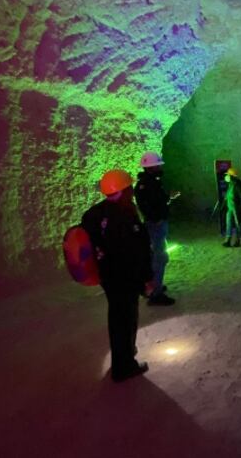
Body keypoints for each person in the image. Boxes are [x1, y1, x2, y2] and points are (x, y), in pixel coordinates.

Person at [82, 169, 152, 382]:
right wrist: (147, 278)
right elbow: (139, 250)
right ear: (123, 190)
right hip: (126, 278)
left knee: (116, 317)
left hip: (108, 277)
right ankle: (124, 365)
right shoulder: (126, 215)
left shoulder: (93, 214)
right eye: (129, 187)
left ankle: (124, 354)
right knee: (126, 319)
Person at [134, 152, 180, 306]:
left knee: (157, 256)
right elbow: (148, 206)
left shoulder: (150, 183)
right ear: (151, 167)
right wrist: (157, 218)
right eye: (158, 165)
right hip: (155, 225)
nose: (160, 167)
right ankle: (155, 293)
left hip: (155, 224)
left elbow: (157, 201)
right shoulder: (148, 185)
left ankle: (155, 285)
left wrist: (169, 197)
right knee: (159, 258)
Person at [222, 167, 241, 247]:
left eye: (228, 175)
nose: (227, 176)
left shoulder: (238, 185)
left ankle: (237, 240)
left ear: (232, 176)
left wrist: (240, 209)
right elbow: (227, 196)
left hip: (236, 209)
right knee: (228, 224)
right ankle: (228, 240)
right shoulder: (230, 184)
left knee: (238, 224)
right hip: (230, 208)